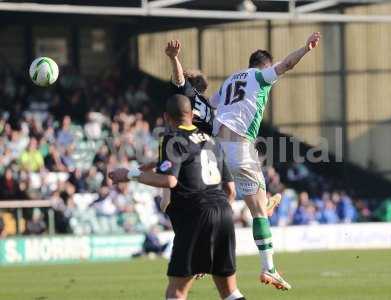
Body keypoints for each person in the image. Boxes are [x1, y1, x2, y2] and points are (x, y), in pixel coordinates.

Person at [206, 32, 322, 289]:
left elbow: (210, 105)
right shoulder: (260, 76)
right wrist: (305, 48)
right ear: (265, 65)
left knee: (234, 200)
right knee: (259, 212)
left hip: (215, 146)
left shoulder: (228, 81)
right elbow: (287, 65)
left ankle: (207, 252)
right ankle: (269, 268)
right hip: (238, 145)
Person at [109, 94, 245, 300]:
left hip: (196, 215)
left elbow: (169, 181)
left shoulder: (171, 138)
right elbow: (231, 190)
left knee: (176, 293)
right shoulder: (211, 140)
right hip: (224, 211)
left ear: (166, 117)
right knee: (229, 292)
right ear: (191, 114)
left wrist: (128, 175)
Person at [165, 40, 214, 135]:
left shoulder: (190, 93)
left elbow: (179, 79)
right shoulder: (207, 103)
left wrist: (173, 58)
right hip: (207, 143)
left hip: (188, 141)